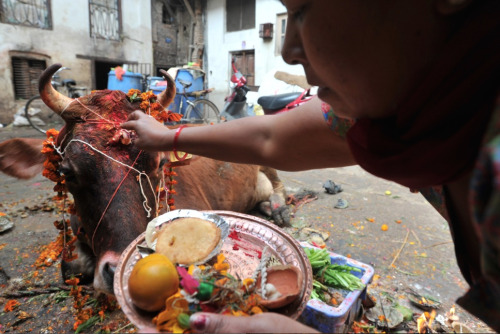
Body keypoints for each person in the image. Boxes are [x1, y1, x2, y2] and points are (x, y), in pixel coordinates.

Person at [121, 0, 500, 332]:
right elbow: (270, 138)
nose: (288, 51)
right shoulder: (402, 117)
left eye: (302, 10)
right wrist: (167, 137)